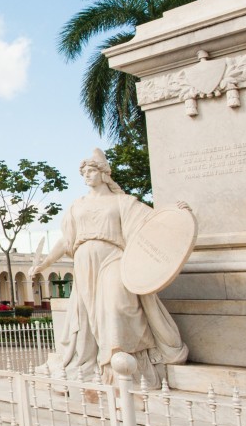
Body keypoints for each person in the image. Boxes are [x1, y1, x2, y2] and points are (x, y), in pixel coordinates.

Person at [30, 149, 190, 387]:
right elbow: (66, 241)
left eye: (91, 170)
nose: (86, 175)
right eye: (83, 172)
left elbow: (154, 224)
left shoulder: (123, 202)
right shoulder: (77, 206)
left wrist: (179, 214)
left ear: (104, 173)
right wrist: (45, 263)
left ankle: (121, 368)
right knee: (86, 319)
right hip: (84, 265)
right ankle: (95, 366)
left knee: (117, 307)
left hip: (113, 258)